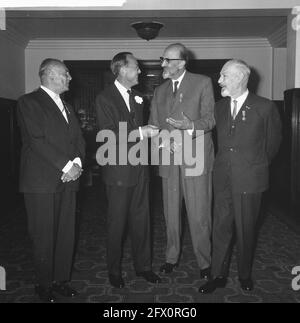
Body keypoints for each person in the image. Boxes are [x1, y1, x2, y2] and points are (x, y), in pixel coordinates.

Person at [199, 59, 282, 294]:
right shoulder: (219, 107)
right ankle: (218, 275)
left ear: (238, 78)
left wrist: (253, 166)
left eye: (224, 76)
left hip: (250, 179)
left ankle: (245, 274)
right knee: (221, 227)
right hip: (223, 177)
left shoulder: (265, 107)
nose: (219, 80)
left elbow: (273, 145)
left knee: (246, 231)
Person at [17, 58, 85, 302]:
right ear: (50, 75)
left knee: (65, 233)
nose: (69, 78)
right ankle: (44, 284)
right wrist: (67, 166)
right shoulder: (29, 102)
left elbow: (78, 139)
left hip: (69, 179)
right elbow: (37, 141)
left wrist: (76, 164)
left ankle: (60, 280)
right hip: (41, 182)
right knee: (43, 234)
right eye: (65, 74)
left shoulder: (66, 105)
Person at [148, 43, 215, 279]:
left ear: (182, 63)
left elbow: (210, 119)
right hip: (169, 159)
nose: (163, 64)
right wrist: (158, 143)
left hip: (195, 158)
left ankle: (205, 262)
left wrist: (190, 126)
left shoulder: (203, 82)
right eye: (162, 59)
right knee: (170, 213)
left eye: (167, 60)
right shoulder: (160, 91)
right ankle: (171, 257)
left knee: (199, 214)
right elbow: (154, 125)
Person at [95, 52, 161, 288]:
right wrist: (142, 132)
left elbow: (138, 132)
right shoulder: (105, 98)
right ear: (122, 70)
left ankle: (144, 267)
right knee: (117, 223)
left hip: (140, 170)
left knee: (142, 221)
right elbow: (108, 135)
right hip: (118, 172)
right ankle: (114, 270)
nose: (140, 71)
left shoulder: (138, 97)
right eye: (136, 67)